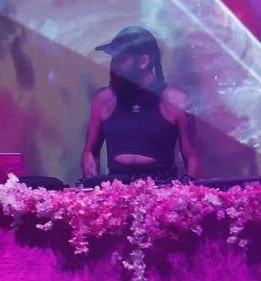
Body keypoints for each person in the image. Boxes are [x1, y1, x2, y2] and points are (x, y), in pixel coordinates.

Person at [81, 26, 201, 181]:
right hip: (116, 189)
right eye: (113, 59)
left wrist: (188, 193)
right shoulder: (104, 99)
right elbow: (90, 151)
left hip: (161, 191)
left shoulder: (174, 100)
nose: (113, 66)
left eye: (121, 59)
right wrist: (92, 183)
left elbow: (193, 158)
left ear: (144, 61)